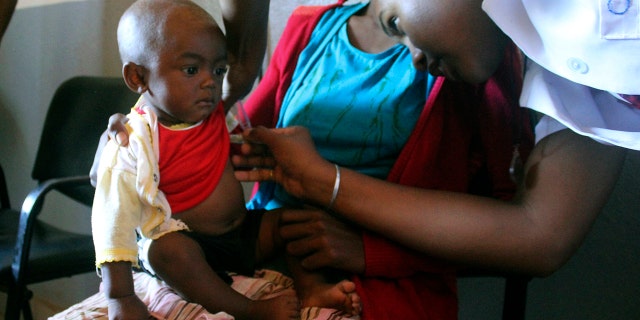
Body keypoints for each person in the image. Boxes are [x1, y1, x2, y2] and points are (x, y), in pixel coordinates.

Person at [96, 0, 537, 318]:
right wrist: (137, 129)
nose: (421, 60)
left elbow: (509, 238)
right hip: (253, 258)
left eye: (214, 71)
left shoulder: (472, 54)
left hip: (379, 289)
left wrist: (372, 252)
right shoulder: (312, 28)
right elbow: (223, 140)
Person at [231, 0, 636, 283]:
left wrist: (343, 208)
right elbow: (537, 234)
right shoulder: (315, 28)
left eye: (394, 22)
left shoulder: (488, 88)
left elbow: (530, 235)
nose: (415, 60)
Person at [92, 1, 362, 319]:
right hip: (192, 245)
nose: (210, 81)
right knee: (168, 251)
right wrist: (120, 296)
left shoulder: (211, 108)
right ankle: (248, 310)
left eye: (218, 70)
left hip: (242, 231)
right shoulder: (133, 139)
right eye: (192, 69)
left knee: (297, 222)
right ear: (139, 76)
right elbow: (111, 218)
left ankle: (311, 287)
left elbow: (244, 72)